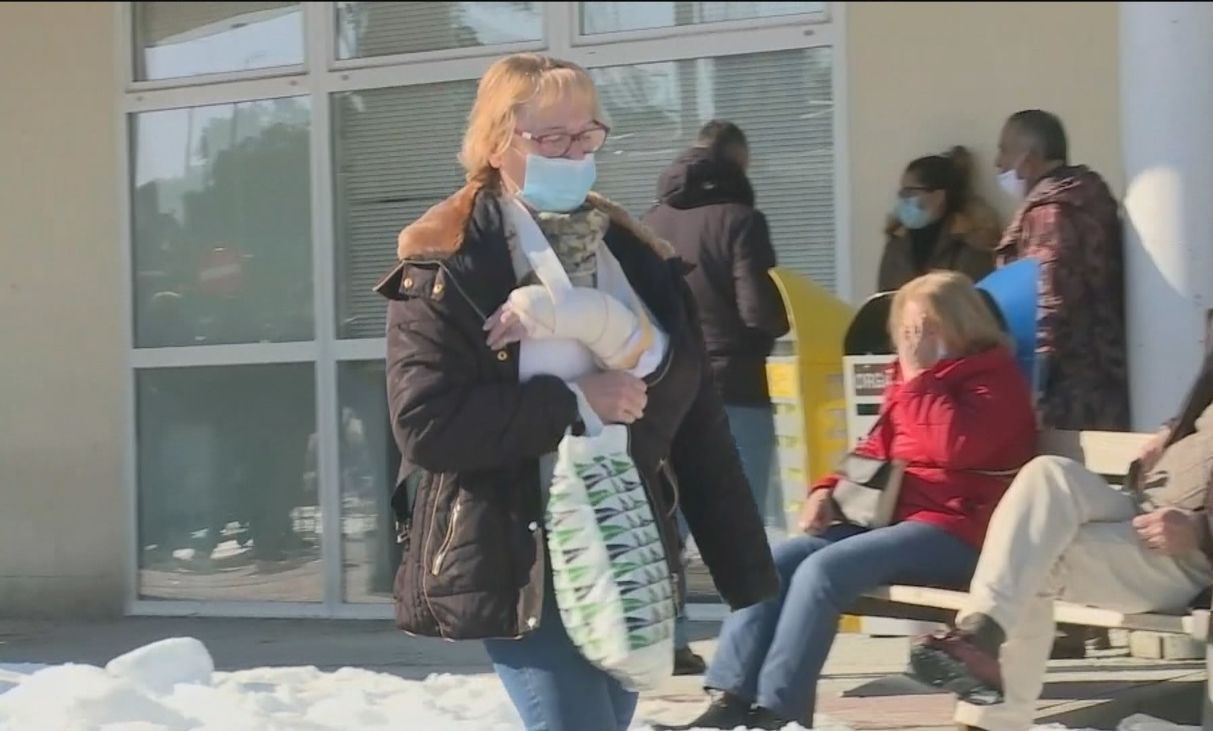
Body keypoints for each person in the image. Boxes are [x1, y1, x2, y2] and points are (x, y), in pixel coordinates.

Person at [376, 53, 778, 731]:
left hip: (620, 540)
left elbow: (696, 419)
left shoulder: (636, 255)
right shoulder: (447, 258)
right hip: (516, 551)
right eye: (552, 138)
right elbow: (426, 422)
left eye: (587, 134)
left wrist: (746, 571)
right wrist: (576, 400)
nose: (574, 154)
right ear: (497, 143)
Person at [910, 213, 1213, 731]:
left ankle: (987, 714)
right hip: (1144, 507)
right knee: (1048, 473)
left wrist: (1203, 527)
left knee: (1034, 562)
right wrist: (1172, 432)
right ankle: (980, 637)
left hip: (1201, 550)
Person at [658, 271, 1038, 730]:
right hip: (895, 519)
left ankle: (779, 710)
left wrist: (919, 379)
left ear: (961, 323)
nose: (912, 341)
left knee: (824, 572)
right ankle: (729, 698)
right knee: (773, 563)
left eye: (924, 328)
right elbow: (874, 449)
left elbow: (954, 447)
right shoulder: (916, 379)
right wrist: (825, 491)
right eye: (906, 330)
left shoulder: (993, 379)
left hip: (955, 525)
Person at [642, 120, 791, 675]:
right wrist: (784, 319)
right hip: (734, 388)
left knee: (670, 518)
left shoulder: (650, 221)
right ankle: (744, 654)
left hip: (665, 387)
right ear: (736, 163)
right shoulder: (742, 220)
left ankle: (665, 640)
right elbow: (758, 310)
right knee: (740, 522)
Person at [993, 109, 1129, 432]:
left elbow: (1045, 299)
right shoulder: (1085, 200)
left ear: (1029, 159)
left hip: (1067, 391)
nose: (998, 163)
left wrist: (1034, 383)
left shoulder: (1049, 216)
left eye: (1004, 150)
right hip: (1101, 379)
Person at [877, 146, 1001, 292]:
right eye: (902, 191)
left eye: (910, 191)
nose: (902, 198)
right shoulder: (897, 243)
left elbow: (976, 301)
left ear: (939, 196)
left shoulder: (972, 244)